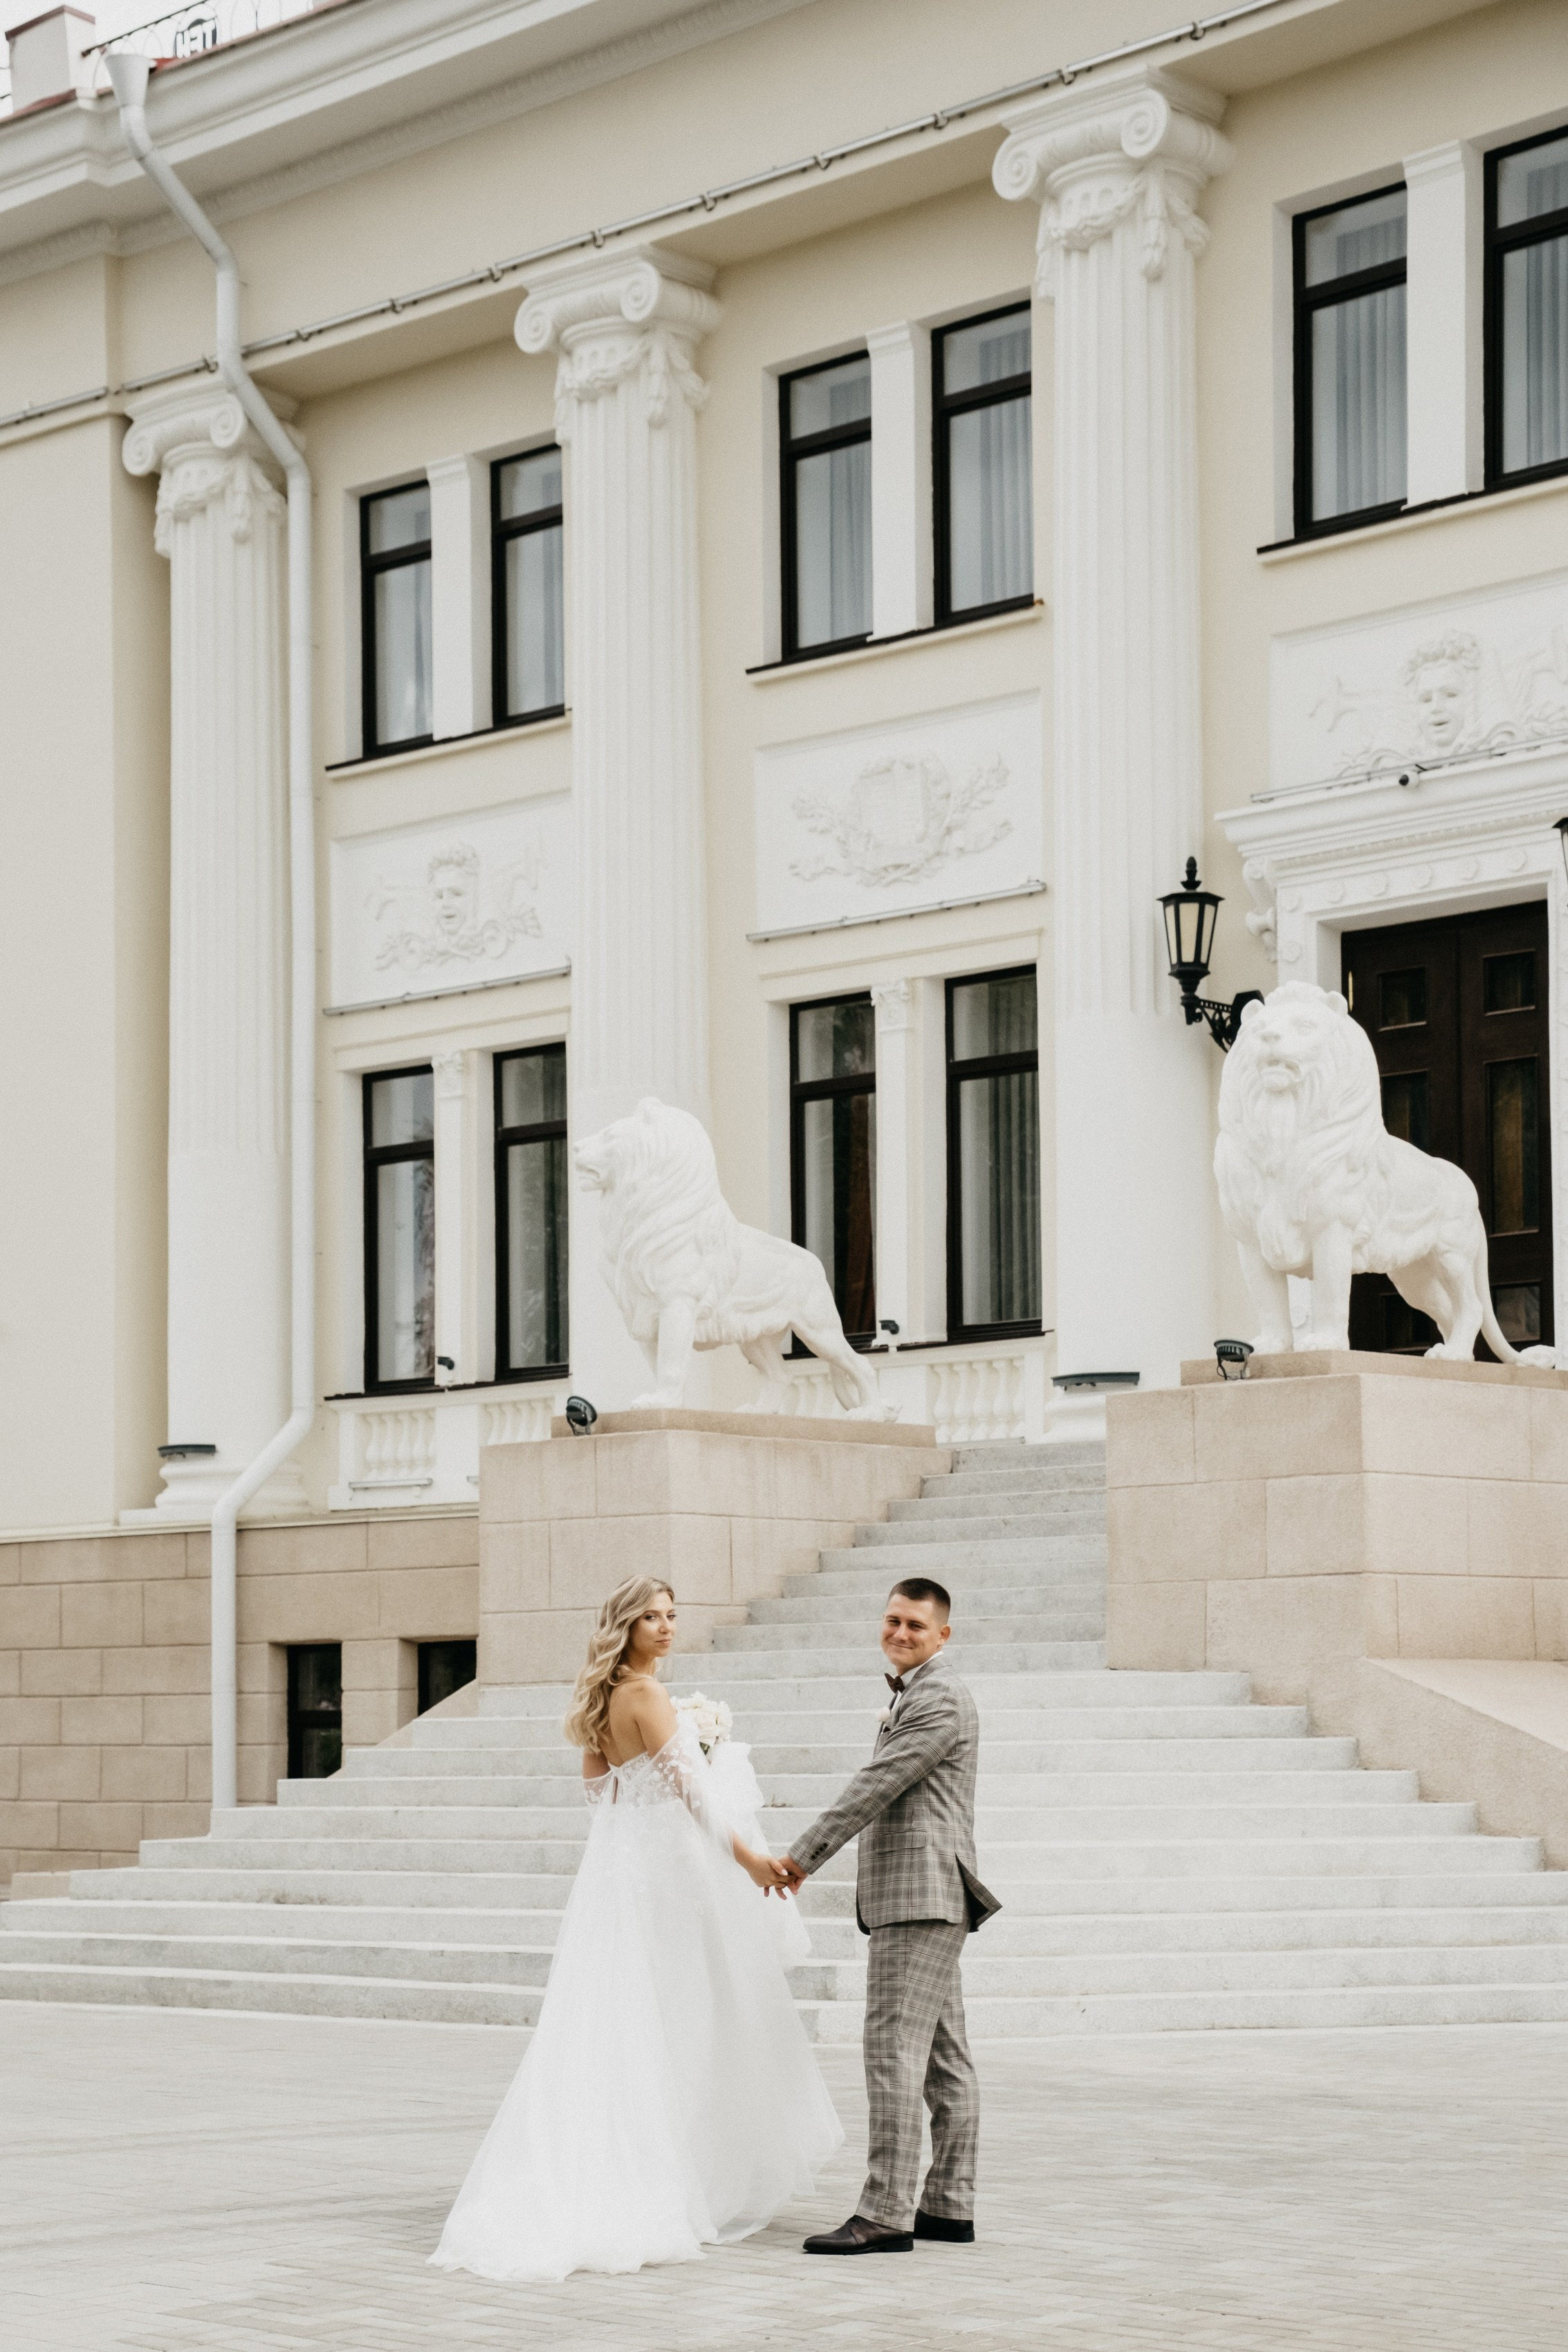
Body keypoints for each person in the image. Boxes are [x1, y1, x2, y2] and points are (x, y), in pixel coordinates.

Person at [430, 1575, 842, 2283]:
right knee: (681, 2016)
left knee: (620, 2017)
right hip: (664, 1878)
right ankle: (671, 2177)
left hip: (620, 1873)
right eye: (650, 1616)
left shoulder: (602, 1700)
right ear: (623, 1624)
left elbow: (601, 1794)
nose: (665, 1626)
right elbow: (694, 1796)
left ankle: (630, 2161)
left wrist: (660, 1773)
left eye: (671, 1614)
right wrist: (748, 1859)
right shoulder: (648, 1696)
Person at [776, 1575, 999, 2255]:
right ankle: (947, 2205)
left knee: (891, 2054)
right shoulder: (924, 1691)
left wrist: (802, 1854)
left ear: (943, 1635)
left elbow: (877, 1785)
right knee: (941, 2059)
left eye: (915, 1626)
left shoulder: (937, 1696)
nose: (900, 1633)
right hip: (930, 1896)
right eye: (893, 1620)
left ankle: (884, 2211)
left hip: (918, 1896)